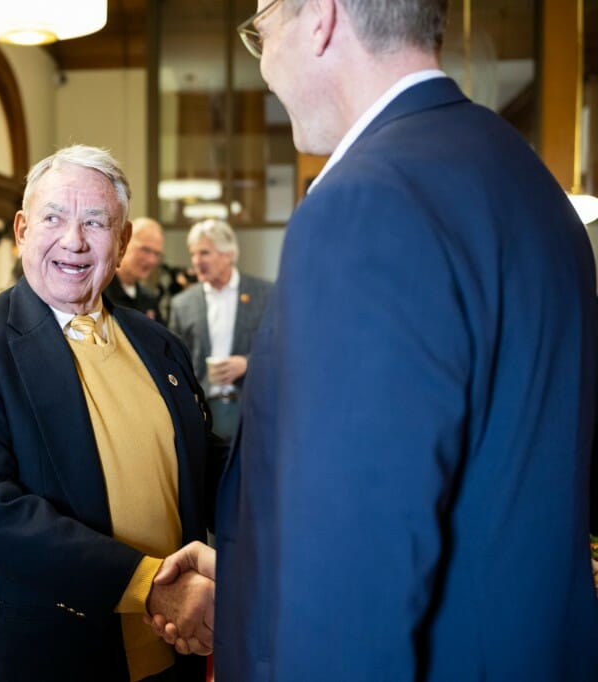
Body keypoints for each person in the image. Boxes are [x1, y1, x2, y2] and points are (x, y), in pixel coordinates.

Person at [157, 0, 598, 678]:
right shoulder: (527, 180)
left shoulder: (363, 203)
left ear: (321, 19)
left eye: (261, 31)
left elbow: (357, 567)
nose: (265, 63)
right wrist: (254, 573)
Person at [0, 144, 225, 682]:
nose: (74, 241)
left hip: (170, 652)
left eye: (96, 222)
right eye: (53, 218)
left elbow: (208, 466)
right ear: (21, 229)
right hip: (40, 656)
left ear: (123, 240)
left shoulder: (159, 344)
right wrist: (151, 584)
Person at [168, 219, 273, 440]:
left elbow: (281, 346)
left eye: (204, 253)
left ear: (228, 255)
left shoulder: (266, 295)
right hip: (202, 414)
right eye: (193, 254)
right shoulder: (182, 304)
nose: (196, 261)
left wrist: (247, 363)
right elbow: (173, 362)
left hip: (253, 411)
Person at [105, 216, 166, 323]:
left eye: (157, 254)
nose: (151, 260)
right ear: (124, 243)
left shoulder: (148, 299)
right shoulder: (100, 293)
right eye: (145, 250)